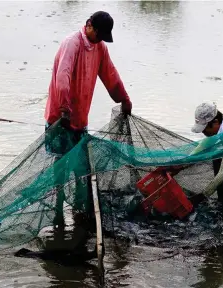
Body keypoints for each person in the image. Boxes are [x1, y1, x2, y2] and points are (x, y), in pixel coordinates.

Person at [43, 11, 133, 244]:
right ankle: (58, 213)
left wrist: (123, 98)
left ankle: (80, 213)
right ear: (88, 25)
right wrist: (63, 110)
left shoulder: (100, 47)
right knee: (60, 167)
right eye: (99, 33)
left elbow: (110, 75)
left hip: (79, 121)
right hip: (60, 118)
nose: (100, 38)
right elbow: (62, 77)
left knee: (82, 169)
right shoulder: (72, 44)